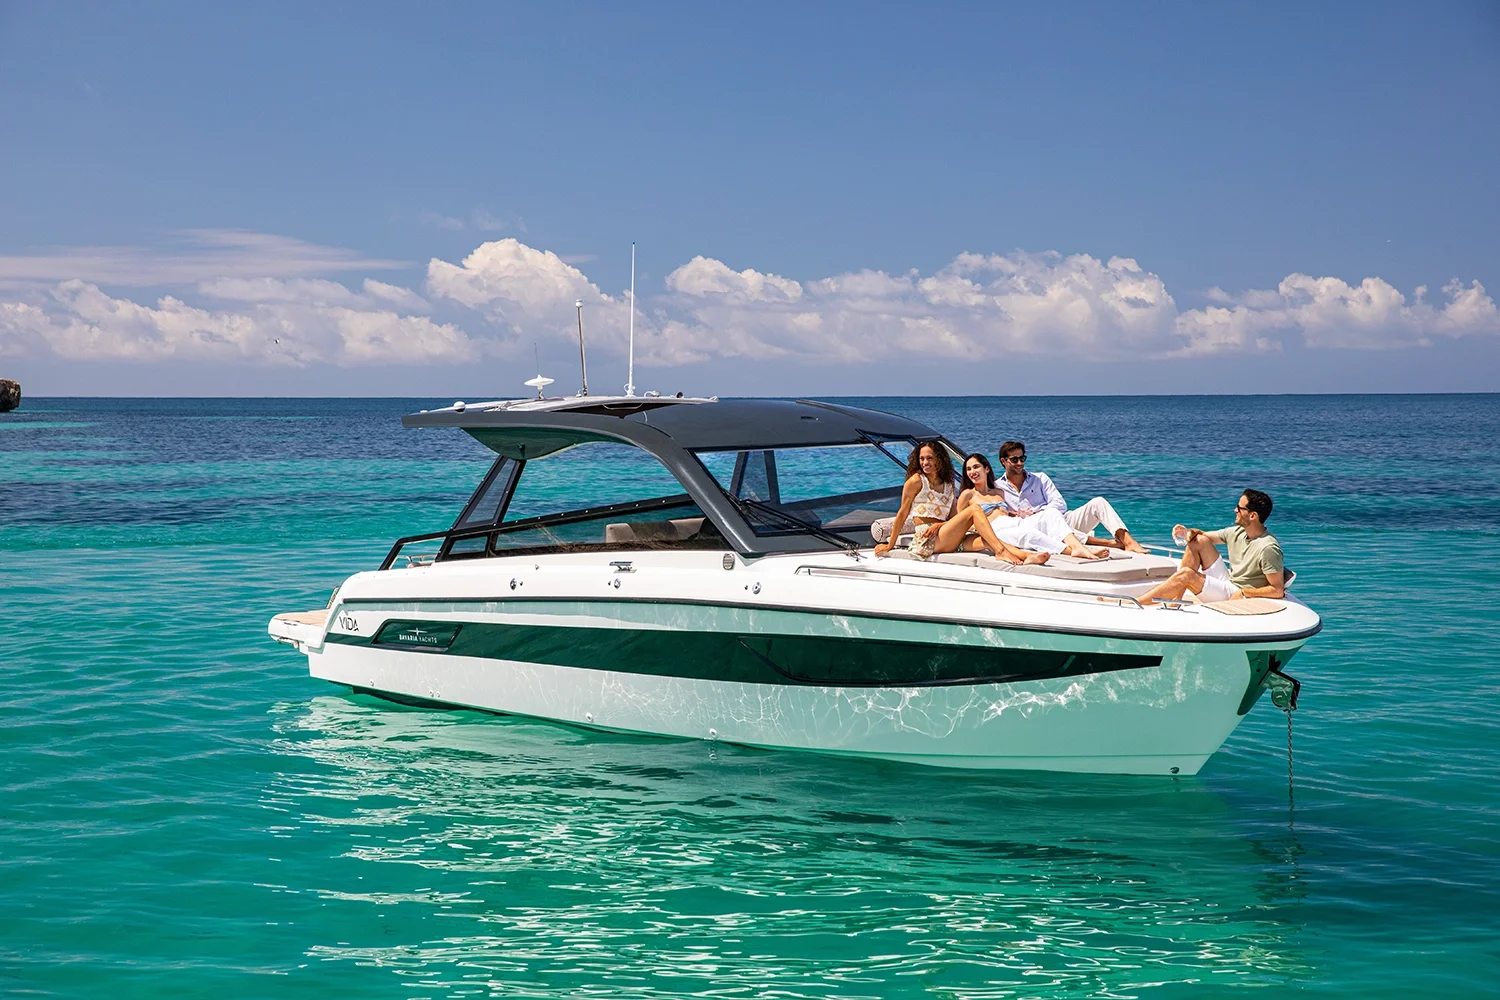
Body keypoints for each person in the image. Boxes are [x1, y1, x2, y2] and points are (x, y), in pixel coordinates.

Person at [874, 442, 1048, 564]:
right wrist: (890, 544)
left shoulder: (948, 485)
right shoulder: (916, 481)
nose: (925, 463)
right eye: (922, 459)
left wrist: (940, 525)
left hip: (945, 535)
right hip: (926, 539)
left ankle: (1026, 557)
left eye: (929, 458)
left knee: (987, 539)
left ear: (939, 459)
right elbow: (902, 513)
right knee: (974, 510)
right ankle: (1001, 553)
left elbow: (953, 517)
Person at [993, 441, 1148, 553]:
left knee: (1098, 502)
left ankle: (1127, 541)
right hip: (1035, 529)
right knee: (1048, 523)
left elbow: (1060, 504)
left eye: (1022, 458)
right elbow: (1001, 517)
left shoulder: (1040, 478)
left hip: (1061, 520)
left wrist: (1041, 513)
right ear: (1003, 461)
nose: (1020, 463)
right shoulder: (997, 488)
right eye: (1014, 459)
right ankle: (1109, 543)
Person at [1138, 489, 1286, 604]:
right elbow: (1203, 536)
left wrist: (1244, 593)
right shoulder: (1238, 532)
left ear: (1252, 516)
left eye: (1239, 508)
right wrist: (1187, 532)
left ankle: (1137, 603)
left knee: (1186, 575)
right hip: (1229, 582)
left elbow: (1277, 590)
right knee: (1198, 541)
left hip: (1239, 592)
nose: (1235, 510)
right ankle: (1176, 600)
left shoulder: (1268, 548)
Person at [958, 454, 1109, 559]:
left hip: (1015, 522)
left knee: (1051, 513)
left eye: (976, 467)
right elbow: (961, 521)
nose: (972, 472)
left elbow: (1004, 512)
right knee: (1030, 535)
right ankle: (1072, 551)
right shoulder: (968, 494)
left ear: (987, 469)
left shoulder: (998, 491)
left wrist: (1017, 513)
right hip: (996, 530)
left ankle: (1077, 546)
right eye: (968, 469)